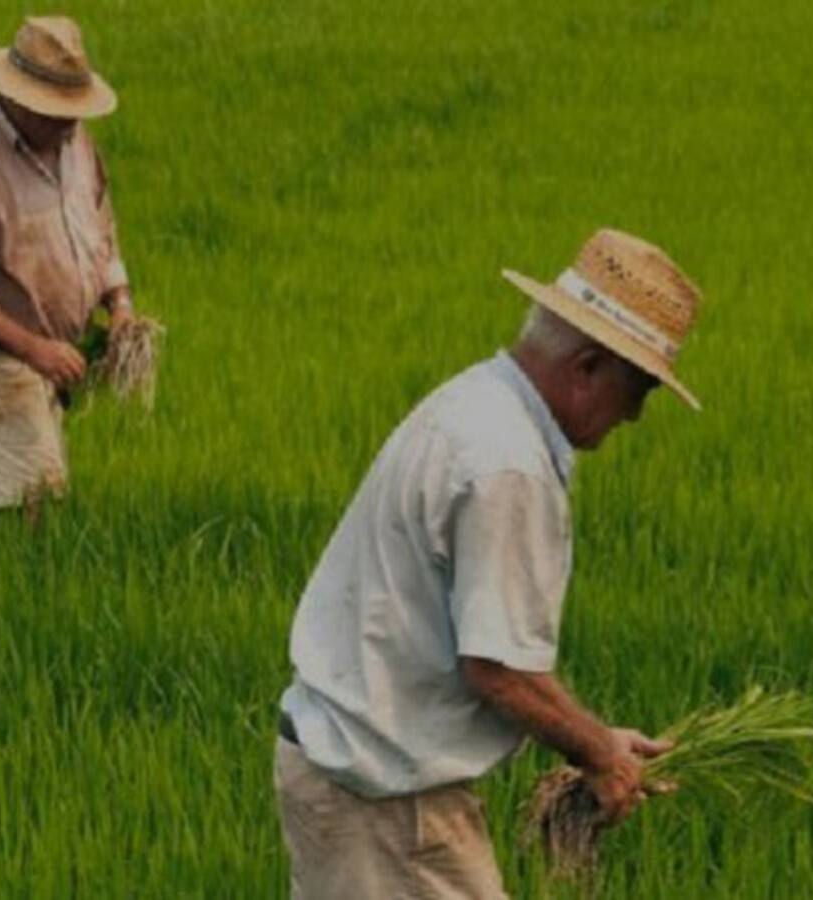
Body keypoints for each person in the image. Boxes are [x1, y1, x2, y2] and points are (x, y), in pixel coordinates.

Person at [274, 228, 705, 897]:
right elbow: (497, 669)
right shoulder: (509, 462)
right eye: (639, 390)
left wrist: (598, 742)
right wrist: (597, 753)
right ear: (588, 367)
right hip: (385, 806)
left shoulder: (478, 401)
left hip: (357, 777)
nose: (636, 416)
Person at [0, 16, 133, 518]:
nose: (68, 122)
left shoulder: (75, 141)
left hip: (52, 363)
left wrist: (120, 304)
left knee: (41, 501)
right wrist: (35, 349)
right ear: (16, 98)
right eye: (55, 112)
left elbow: (100, 229)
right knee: (17, 513)